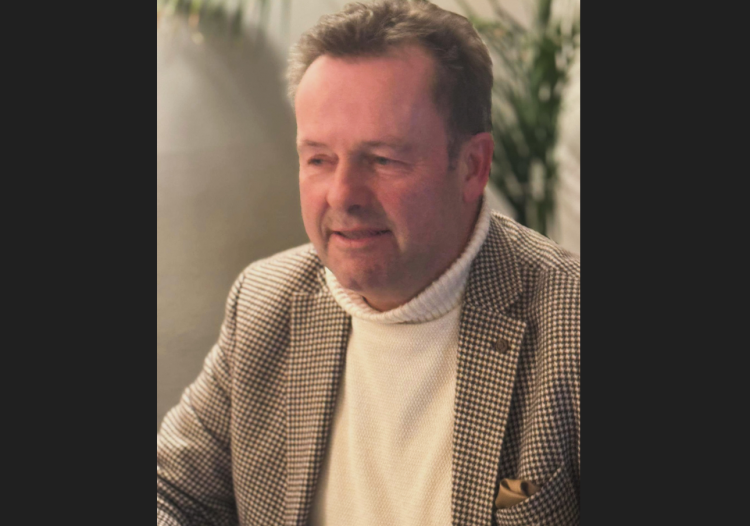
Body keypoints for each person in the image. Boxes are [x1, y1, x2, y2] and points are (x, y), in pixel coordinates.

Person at [156, 1, 580, 525]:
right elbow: (173, 494)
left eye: (382, 159)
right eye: (319, 159)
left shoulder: (570, 325)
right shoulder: (266, 303)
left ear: (473, 166)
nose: (342, 195)